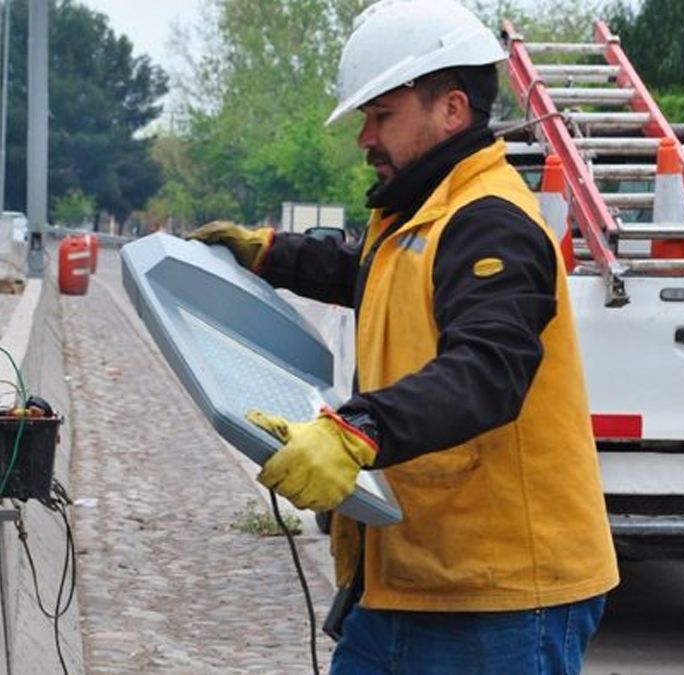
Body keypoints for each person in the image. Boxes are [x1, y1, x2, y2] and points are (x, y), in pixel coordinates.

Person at [189, 0, 618, 671]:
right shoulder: (421, 214)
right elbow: (366, 269)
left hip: (498, 598)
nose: (365, 137)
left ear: (450, 110)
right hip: (408, 580)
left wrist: (358, 428)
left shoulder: (491, 222)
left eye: (381, 116)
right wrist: (268, 253)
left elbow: (486, 371)